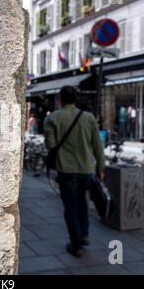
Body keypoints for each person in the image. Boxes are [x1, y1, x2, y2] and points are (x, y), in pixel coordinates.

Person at [44, 86, 105, 258]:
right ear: (75, 99)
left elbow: (50, 145)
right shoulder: (89, 118)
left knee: (70, 207)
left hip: (66, 170)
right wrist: (100, 168)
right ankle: (84, 234)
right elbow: (97, 146)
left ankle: (76, 244)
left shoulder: (53, 118)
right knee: (82, 203)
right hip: (86, 170)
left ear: (60, 100)